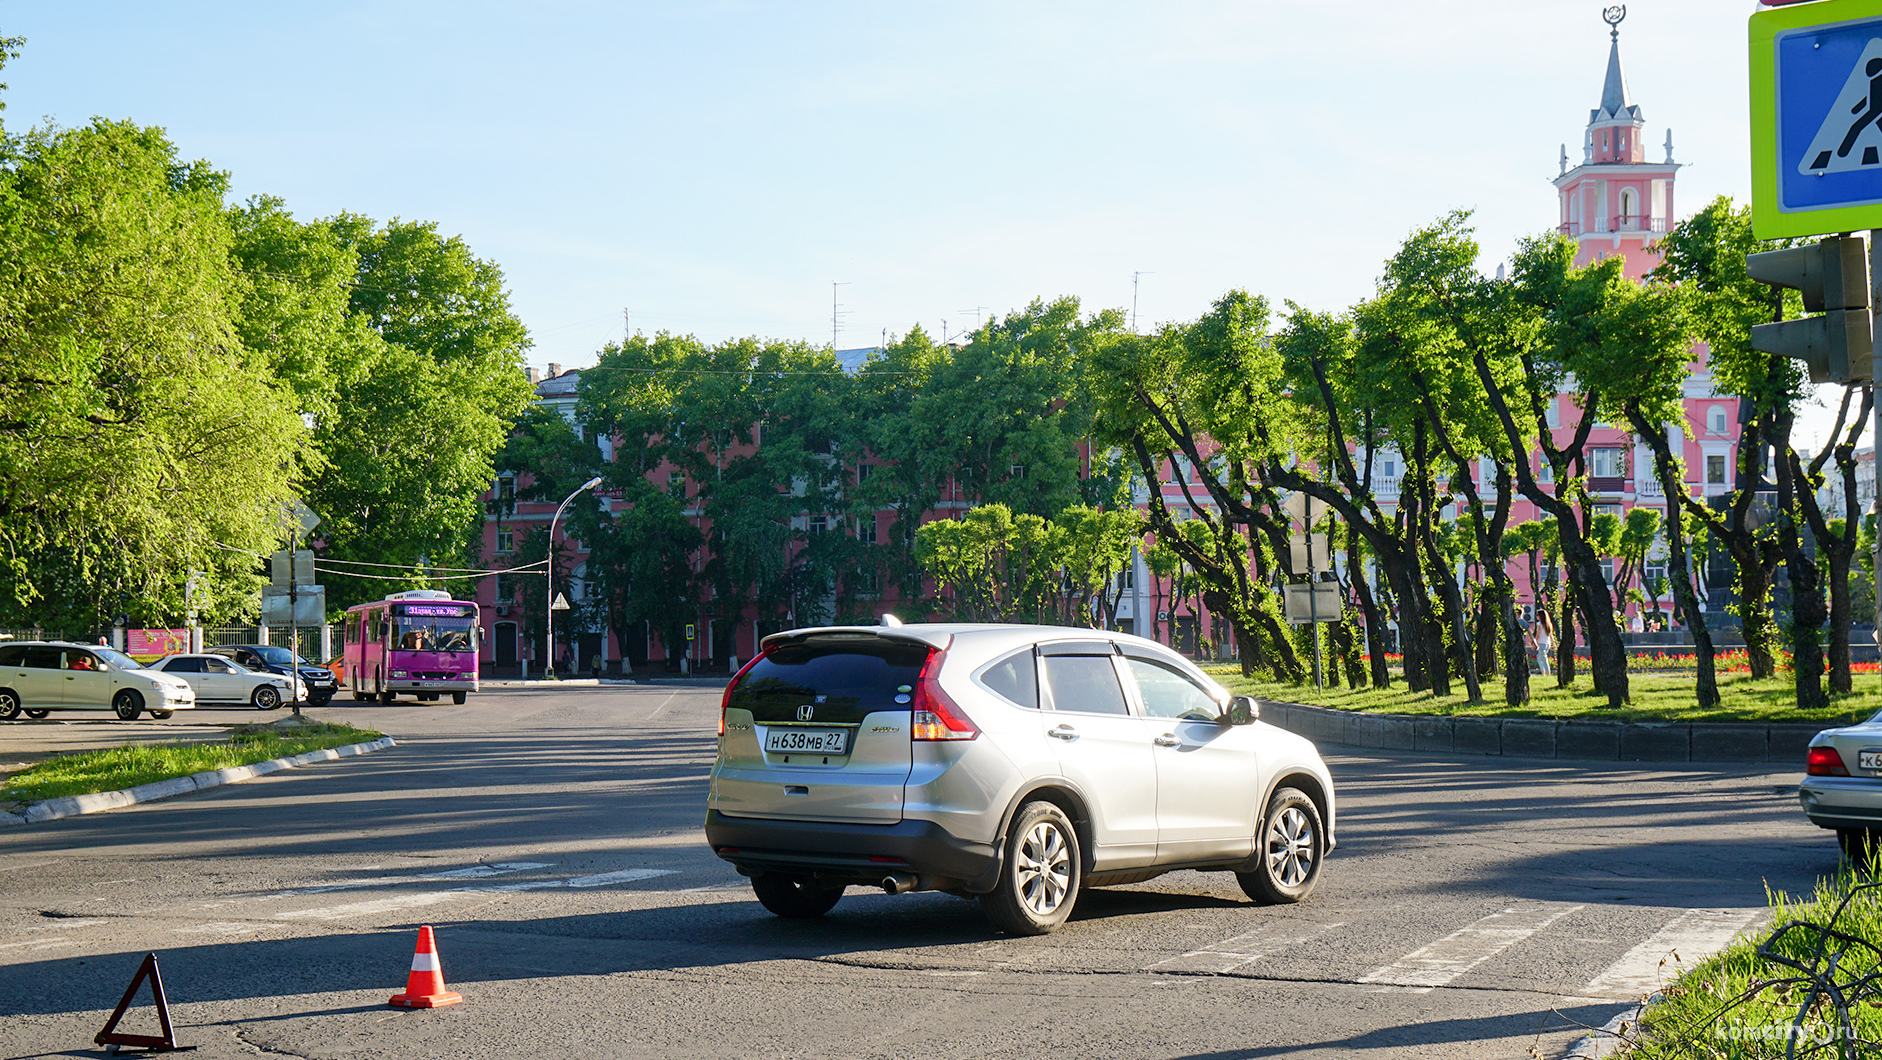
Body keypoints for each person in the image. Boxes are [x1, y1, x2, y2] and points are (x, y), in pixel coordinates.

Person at [1534, 610, 1554, 676]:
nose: (1536, 616)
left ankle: (1548, 673)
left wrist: (1535, 642)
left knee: (1544, 658)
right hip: (1547, 643)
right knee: (1539, 658)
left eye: (1537, 615)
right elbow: (1551, 635)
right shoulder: (1549, 624)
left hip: (1541, 643)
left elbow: (1538, 634)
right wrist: (1553, 644)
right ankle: (1543, 672)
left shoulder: (1539, 624)